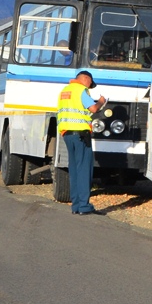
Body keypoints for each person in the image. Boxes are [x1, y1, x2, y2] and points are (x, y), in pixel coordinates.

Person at [57, 70, 106, 215]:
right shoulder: (81, 90)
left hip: (67, 134)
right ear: (85, 78)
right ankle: (84, 206)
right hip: (80, 135)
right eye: (90, 83)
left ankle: (76, 206)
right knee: (84, 169)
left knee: (74, 170)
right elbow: (93, 108)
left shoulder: (64, 91)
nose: (90, 87)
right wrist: (102, 102)